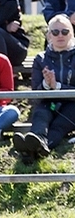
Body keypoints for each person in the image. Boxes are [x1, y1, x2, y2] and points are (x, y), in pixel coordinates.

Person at [13, 15, 75, 163]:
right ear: (49, 36)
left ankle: (31, 152)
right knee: (41, 115)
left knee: (58, 126)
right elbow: (36, 94)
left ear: (71, 34)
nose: (60, 35)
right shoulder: (40, 59)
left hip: (72, 104)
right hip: (49, 101)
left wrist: (57, 86)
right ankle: (34, 146)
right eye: (55, 32)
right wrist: (47, 85)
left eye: (65, 32)